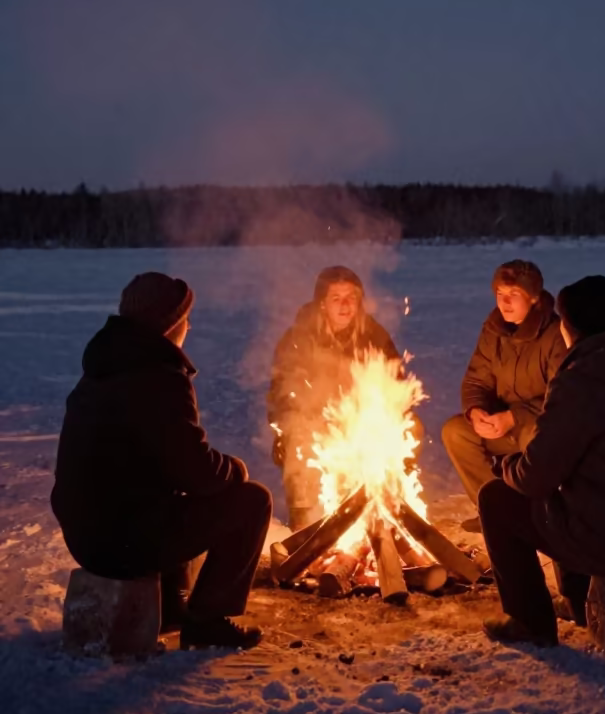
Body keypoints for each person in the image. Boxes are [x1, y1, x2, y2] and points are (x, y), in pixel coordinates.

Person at [51, 272, 272, 650]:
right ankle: (207, 622)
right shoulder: (159, 376)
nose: (190, 325)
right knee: (252, 501)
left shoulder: (105, 367)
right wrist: (236, 470)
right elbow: (197, 471)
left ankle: (170, 607)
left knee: (165, 497)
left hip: (86, 534)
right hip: (120, 541)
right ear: (170, 324)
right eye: (185, 317)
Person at [478, 276, 605, 647]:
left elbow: (534, 478)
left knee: (497, 499)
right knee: (568, 494)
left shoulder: (581, 383)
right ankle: (579, 602)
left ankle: (529, 623)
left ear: (570, 327)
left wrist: (505, 466)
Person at [268, 266, 404, 529]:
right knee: (300, 438)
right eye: (336, 298)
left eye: (351, 298)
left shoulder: (374, 335)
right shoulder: (299, 338)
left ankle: (381, 512)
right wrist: (292, 424)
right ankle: (303, 523)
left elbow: (395, 382)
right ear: (322, 304)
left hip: (361, 423)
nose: (345, 306)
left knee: (409, 433)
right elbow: (282, 393)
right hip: (313, 422)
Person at [442, 259, 568, 530]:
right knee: (456, 432)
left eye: (514, 295)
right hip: (501, 422)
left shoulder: (555, 333)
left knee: (537, 438)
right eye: (500, 294)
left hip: (538, 423)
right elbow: (477, 378)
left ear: (533, 298)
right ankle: (492, 509)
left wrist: (514, 417)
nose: (505, 302)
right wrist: (477, 412)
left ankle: (541, 517)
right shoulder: (494, 329)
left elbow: (563, 397)